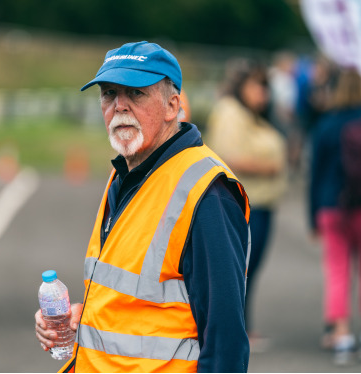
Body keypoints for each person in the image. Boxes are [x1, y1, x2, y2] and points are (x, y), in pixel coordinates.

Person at [34, 41, 251, 373]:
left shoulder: (207, 193)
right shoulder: (124, 172)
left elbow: (226, 345)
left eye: (135, 94)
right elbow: (139, 303)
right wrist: (84, 319)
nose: (119, 106)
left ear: (171, 106)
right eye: (109, 94)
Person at [205, 59, 287, 350]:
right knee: (238, 271)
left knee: (246, 271)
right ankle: (234, 332)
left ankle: (241, 328)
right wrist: (269, 167)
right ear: (242, 85)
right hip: (242, 206)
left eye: (267, 86)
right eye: (258, 85)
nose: (264, 92)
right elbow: (227, 156)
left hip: (262, 204)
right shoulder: (231, 112)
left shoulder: (254, 115)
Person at [309, 68, 361, 366]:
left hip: (332, 206)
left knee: (338, 270)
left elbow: (315, 174)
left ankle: (341, 335)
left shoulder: (326, 124)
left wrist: (312, 216)